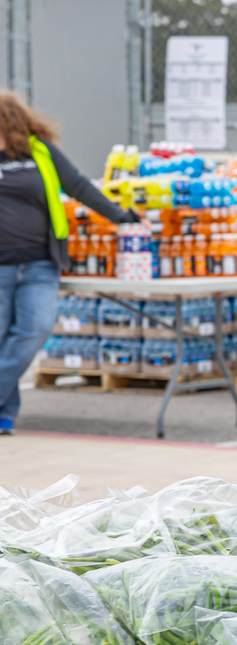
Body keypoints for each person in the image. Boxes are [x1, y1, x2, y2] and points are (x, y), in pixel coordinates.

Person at [0, 92, 142, 435]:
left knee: (35, 330)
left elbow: (79, 186)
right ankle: (5, 416)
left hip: (38, 264)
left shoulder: (41, 152)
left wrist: (121, 217)